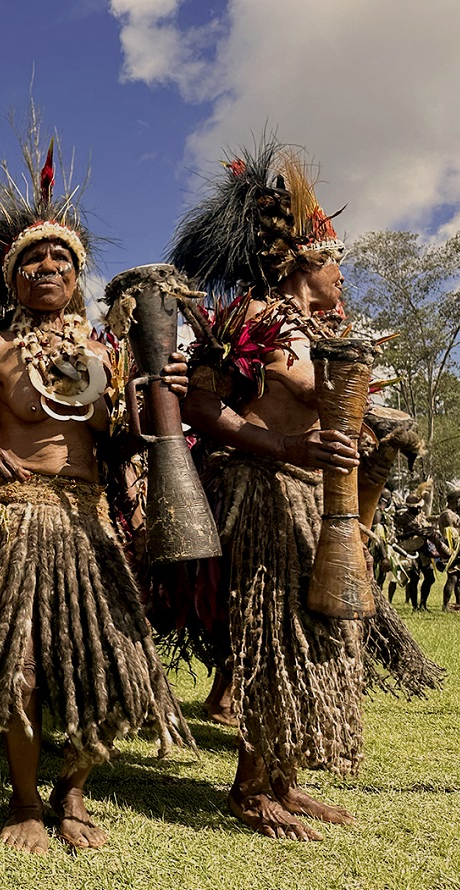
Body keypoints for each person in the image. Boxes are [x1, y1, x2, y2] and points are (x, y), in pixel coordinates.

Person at [0, 131, 193, 853]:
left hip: (89, 519)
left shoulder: (105, 352)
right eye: (33, 260)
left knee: (103, 661)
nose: (48, 268)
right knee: (18, 670)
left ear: (78, 279)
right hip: (17, 515)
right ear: (12, 279)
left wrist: (156, 404)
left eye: (61, 260)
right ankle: (22, 801)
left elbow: (123, 441)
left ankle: (73, 794)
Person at [174, 140, 368, 841]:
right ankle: (251, 790)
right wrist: (285, 446)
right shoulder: (249, 318)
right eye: (334, 259)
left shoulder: (324, 330)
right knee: (272, 636)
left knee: (314, 635)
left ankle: (284, 778)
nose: (342, 274)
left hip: (317, 497)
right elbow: (201, 409)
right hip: (263, 491)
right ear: (301, 261)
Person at [438, 489, 460, 611]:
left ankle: (459, 604)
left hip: (458, 549)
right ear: (454, 500)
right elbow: (450, 534)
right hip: (451, 548)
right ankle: (445, 605)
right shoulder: (447, 514)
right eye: (458, 499)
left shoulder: (455, 514)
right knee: (452, 577)